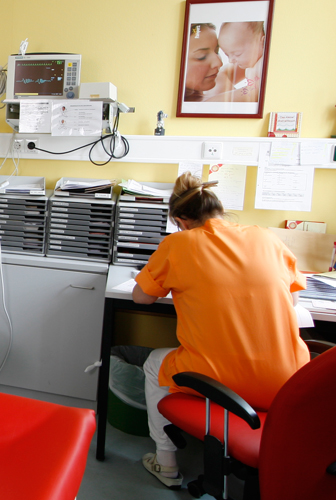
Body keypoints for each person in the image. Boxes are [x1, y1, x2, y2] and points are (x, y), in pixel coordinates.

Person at [132, 172, 310, 488]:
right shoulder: (266, 238)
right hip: (288, 382)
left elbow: (141, 298)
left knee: (152, 364)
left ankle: (166, 462)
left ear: (180, 220)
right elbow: (293, 297)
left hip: (219, 379)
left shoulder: (178, 243)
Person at [217, 21, 266, 90]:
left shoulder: (261, 65)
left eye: (237, 54)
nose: (231, 60)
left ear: (263, 43)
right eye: (227, 55)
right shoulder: (251, 66)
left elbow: (252, 93)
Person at [182, 23, 224, 102]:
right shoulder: (207, 104)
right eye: (202, 56)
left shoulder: (219, 78)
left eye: (217, 51)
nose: (219, 63)